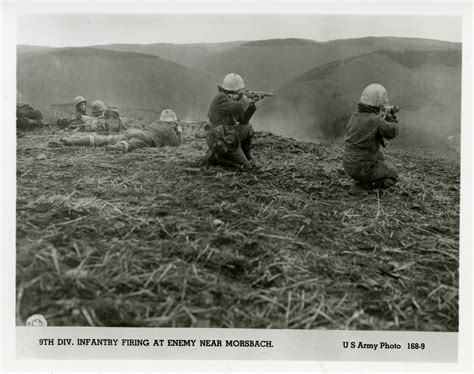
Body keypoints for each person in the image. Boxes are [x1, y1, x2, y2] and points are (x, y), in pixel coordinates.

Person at [342, 83, 399, 195]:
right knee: (393, 175)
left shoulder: (355, 115)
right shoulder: (375, 120)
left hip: (348, 164)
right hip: (362, 168)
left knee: (380, 156)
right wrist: (390, 118)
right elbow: (392, 132)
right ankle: (363, 185)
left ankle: (367, 177)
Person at [198, 73, 257, 170]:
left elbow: (243, 120)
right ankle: (216, 158)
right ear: (234, 91)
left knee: (248, 127)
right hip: (220, 139)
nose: (241, 94)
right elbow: (240, 107)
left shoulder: (230, 100)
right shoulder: (220, 98)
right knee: (245, 166)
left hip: (229, 136)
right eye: (240, 92)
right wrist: (246, 99)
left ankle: (247, 155)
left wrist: (252, 104)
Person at [105, 109, 183, 152]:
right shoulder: (169, 130)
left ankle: (94, 140)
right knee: (132, 144)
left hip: (138, 132)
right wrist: (179, 132)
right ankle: (119, 147)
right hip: (145, 138)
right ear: (172, 122)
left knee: (115, 138)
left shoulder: (155, 123)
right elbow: (176, 144)